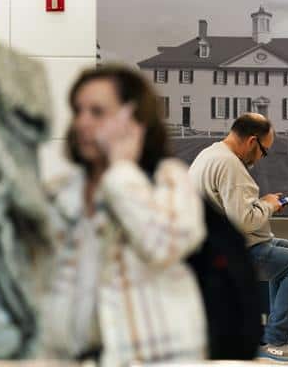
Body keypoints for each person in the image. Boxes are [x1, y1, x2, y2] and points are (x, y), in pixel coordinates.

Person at [40, 65, 207, 366]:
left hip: (155, 356)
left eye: (98, 112)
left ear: (135, 119)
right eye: (78, 111)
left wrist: (121, 172)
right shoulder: (61, 191)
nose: (82, 123)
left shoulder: (169, 179)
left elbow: (163, 246)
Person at [188, 113, 288, 364]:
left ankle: (268, 330)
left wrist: (262, 204)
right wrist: (267, 205)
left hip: (208, 247)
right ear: (252, 141)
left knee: (287, 249)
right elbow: (242, 221)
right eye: (264, 151)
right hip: (228, 253)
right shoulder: (231, 166)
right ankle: (275, 341)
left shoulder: (209, 154)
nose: (261, 158)